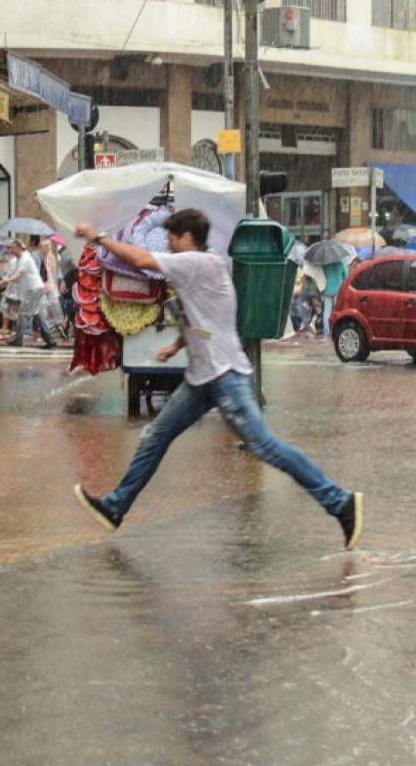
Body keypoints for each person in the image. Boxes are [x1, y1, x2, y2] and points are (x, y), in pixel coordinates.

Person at [69, 210, 363, 550]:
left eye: (172, 238)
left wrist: (98, 236)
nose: (168, 244)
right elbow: (207, 318)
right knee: (154, 436)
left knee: (265, 446)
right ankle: (116, 506)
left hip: (224, 376)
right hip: (202, 379)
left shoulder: (195, 263)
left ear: (186, 238)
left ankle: (340, 502)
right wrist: (177, 345)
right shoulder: (205, 266)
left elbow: (140, 259)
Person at [0, 238, 55, 349]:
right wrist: (4, 280)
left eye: (12, 247)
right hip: (34, 289)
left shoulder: (25, 258)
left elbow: (19, 275)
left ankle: (18, 339)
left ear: (19, 247)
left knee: (22, 313)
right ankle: (50, 340)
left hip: (33, 290)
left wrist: (7, 281)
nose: (10, 250)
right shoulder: (19, 259)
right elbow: (12, 273)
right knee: (39, 316)